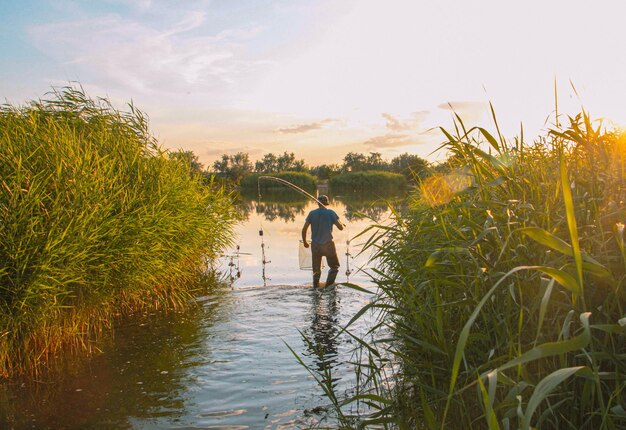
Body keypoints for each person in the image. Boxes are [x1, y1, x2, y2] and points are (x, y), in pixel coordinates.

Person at [301, 195, 344, 288]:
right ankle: (328, 287)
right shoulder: (331, 213)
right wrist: (341, 222)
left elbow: (304, 229)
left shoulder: (312, 214)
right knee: (334, 267)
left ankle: (315, 288)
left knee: (316, 270)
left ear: (318, 203)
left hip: (316, 245)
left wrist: (305, 242)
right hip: (328, 245)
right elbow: (341, 227)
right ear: (326, 203)